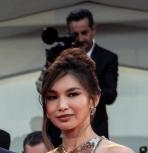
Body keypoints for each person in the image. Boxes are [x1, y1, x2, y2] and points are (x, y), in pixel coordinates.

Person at [45, 9, 118, 145]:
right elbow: (44, 89)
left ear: (93, 30)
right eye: (75, 34)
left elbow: (111, 94)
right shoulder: (58, 55)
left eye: (84, 33)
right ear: (68, 32)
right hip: (59, 132)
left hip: (94, 127)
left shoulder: (107, 58)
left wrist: (84, 90)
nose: (80, 38)